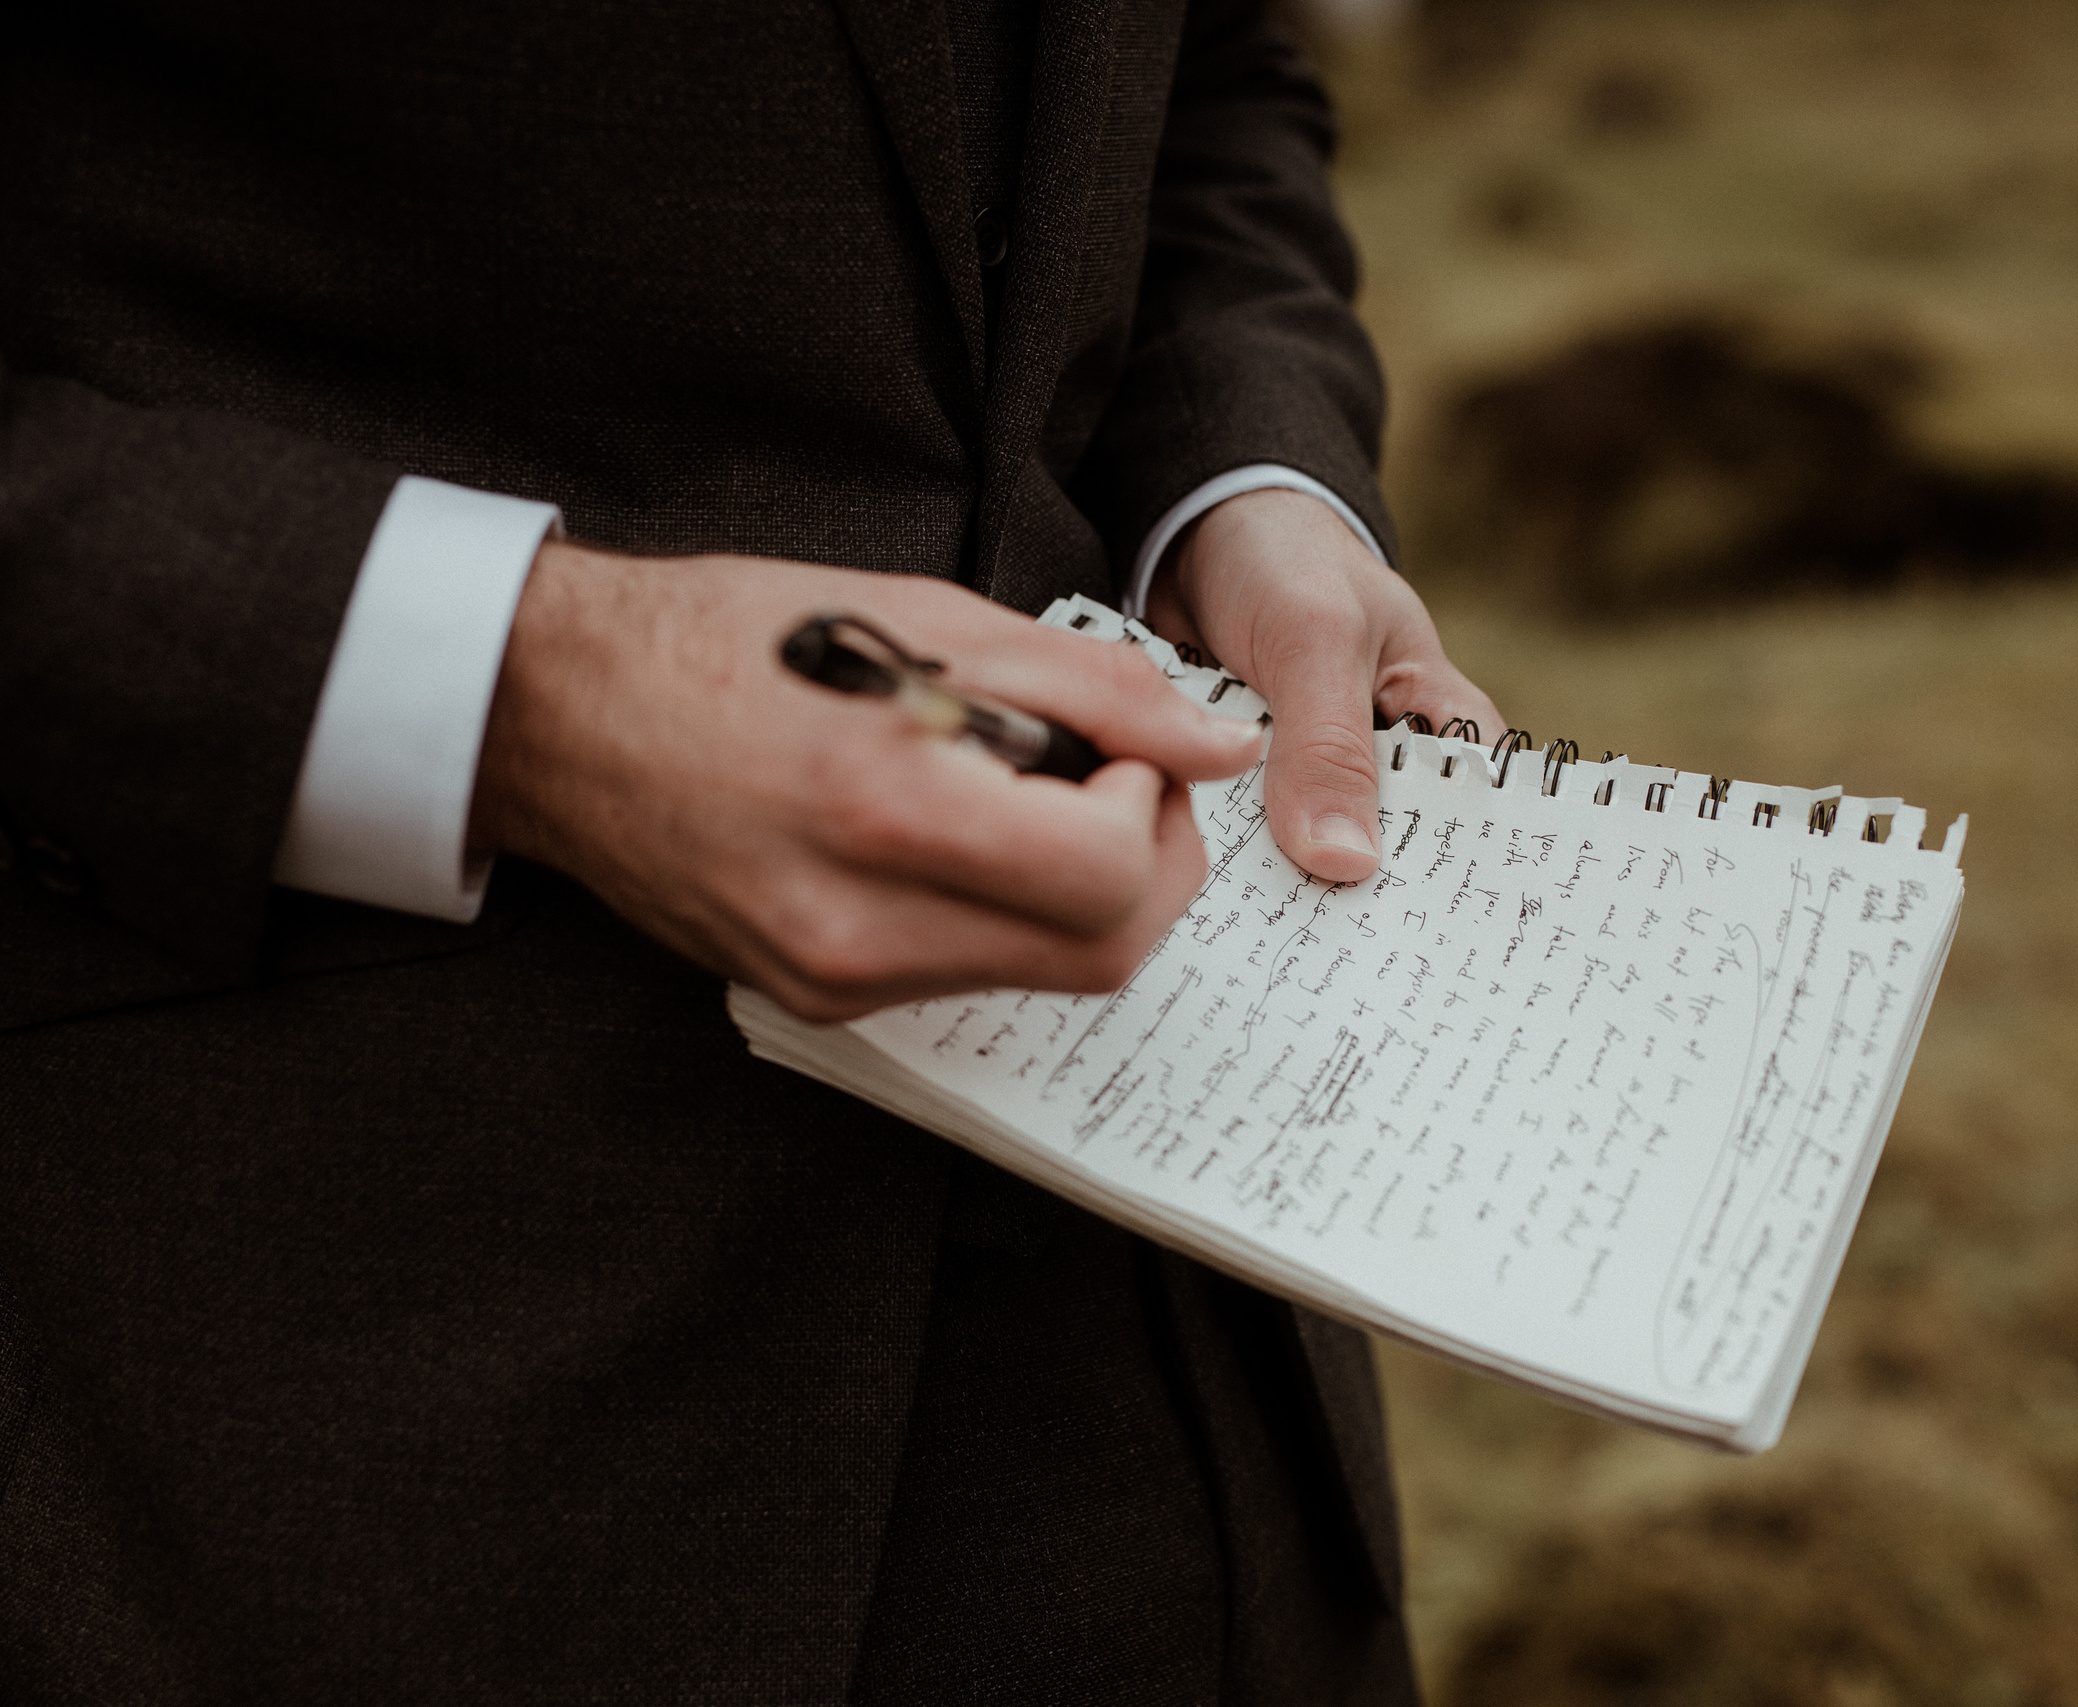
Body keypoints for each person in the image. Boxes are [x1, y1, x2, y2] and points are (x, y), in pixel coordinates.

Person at [0, 1, 1504, 1701]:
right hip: (348, 1420)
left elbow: (1214, 71)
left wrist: (1242, 473)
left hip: (1200, 1382)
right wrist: (528, 685)